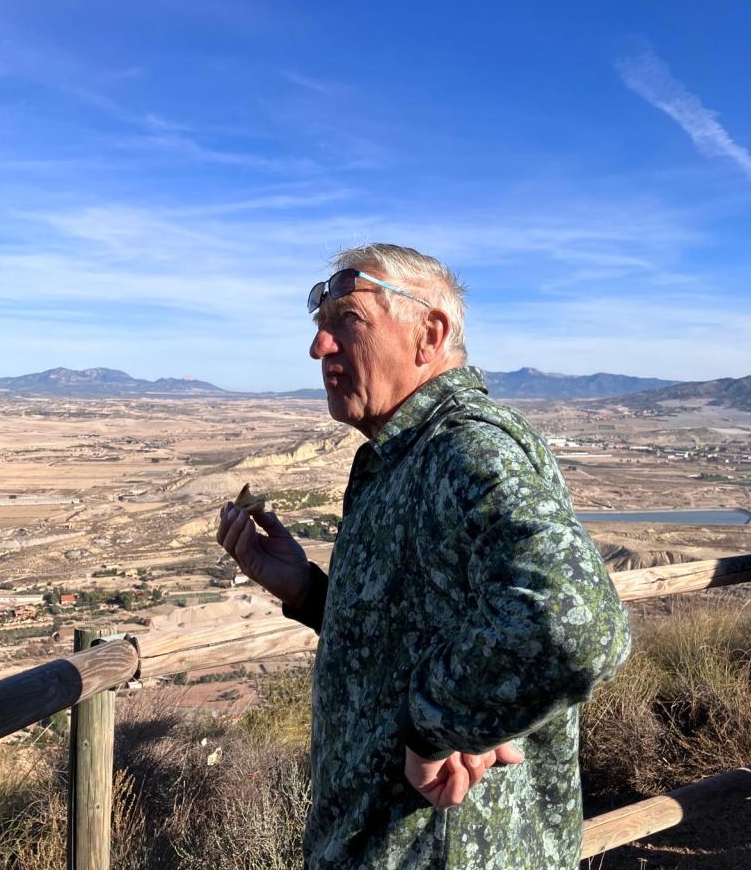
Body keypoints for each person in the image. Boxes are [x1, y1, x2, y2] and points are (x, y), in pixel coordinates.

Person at [218, 243, 631, 870]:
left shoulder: (464, 449)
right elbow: (413, 631)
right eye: (320, 326)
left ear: (428, 334)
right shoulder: (405, 455)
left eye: (347, 321)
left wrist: (434, 723)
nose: (319, 347)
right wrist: (306, 590)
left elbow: (578, 625)